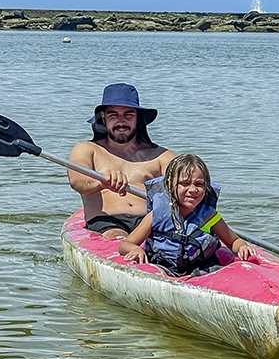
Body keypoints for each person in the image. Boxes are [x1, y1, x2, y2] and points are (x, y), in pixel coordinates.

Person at [118, 153, 256, 275]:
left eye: (199, 184)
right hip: (162, 268)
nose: (192, 190)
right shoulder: (157, 215)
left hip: (201, 270)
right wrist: (135, 249)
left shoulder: (209, 216)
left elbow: (233, 241)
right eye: (184, 183)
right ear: (170, 186)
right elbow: (125, 244)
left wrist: (242, 247)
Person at [67, 83, 174, 238]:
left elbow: (190, 181)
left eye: (128, 115)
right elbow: (78, 182)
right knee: (116, 235)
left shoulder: (161, 156)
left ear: (138, 118)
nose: (121, 121)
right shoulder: (87, 149)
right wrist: (102, 182)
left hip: (151, 222)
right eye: (113, 115)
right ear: (103, 118)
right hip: (107, 222)